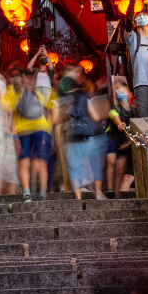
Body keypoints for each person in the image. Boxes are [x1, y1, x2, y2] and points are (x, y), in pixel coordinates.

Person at [59, 67, 106, 200]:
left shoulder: (66, 99)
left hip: (72, 136)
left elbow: (60, 117)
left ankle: (78, 198)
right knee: (91, 164)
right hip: (86, 136)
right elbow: (96, 117)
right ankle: (97, 191)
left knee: (74, 167)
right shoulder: (86, 97)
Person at [11, 72, 53, 198]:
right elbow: (48, 112)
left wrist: (14, 137)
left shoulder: (17, 94)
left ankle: (26, 192)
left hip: (23, 130)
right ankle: (43, 193)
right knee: (42, 162)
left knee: (24, 161)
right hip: (41, 129)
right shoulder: (41, 94)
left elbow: (13, 116)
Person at [105, 77, 136, 196]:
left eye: (122, 89)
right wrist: (120, 124)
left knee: (120, 169)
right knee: (111, 161)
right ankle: (109, 190)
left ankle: (117, 195)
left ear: (129, 93)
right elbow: (114, 116)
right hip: (113, 139)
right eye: (117, 90)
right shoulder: (115, 108)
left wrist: (128, 143)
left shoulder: (134, 111)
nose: (120, 93)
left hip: (125, 141)